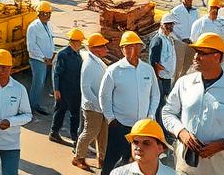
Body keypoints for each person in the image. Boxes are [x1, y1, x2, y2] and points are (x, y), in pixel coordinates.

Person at [160, 32, 224, 175]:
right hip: (186, 168)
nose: (195, 57)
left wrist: (222, 144)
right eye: (196, 52)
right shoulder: (184, 83)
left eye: (202, 53)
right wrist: (181, 132)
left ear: (217, 57)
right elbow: (168, 112)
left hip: (220, 169)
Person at [98, 32, 160, 175]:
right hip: (119, 125)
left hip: (141, 129)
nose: (133, 50)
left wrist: (150, 115)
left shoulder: (147, 70)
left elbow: (155, 95)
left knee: (135, 162)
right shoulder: (114, 70)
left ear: (140, 48)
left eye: (136, 46)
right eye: (128, 47)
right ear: (122, 49)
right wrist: (110, 118)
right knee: (112, 161)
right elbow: (104, 95)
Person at [74, 32, 111, 172]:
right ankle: (79, 157)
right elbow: (85, 88)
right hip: (93, 107)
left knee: (103, 134)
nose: (106, 49)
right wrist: (97, 104)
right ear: (94, 49)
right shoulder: (89, 64)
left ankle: (102, 158)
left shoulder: (97, 60)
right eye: (103, 46)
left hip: (100, 106)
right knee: (90, 132)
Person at [52, 28, 85, 145]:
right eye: (80, 42)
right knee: (63, 111)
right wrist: (56, 89)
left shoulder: (77, 54)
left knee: (72, 113)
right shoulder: (63, 55)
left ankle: (72, 135)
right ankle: (60, 133)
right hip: (65, 89)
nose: (81, 44)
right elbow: (57, 73)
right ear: (74, 42)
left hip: (75, 89)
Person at [109, 119, 174, 175]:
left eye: (146, 143)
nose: (139, 147)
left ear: (160, 148)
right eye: (135, 142)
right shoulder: (118, 173)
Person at [26, 1, 56, 115]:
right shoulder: (33, 27)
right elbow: (32, 46)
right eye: (45, 14)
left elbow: (50, 40)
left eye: (49, 14)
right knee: (38, 83)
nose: (47, 16)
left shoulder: (48, 25)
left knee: (42, 83)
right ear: (39, 14)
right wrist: (43, 58)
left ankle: (35, 104)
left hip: (47, 59)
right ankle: (30, 108)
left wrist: (52, 54)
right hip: (38, 60)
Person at [146, 13, 177, 118]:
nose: (170, 27)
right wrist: (156, 78)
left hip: (167, 77)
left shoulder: (169, 39)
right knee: (158, 104)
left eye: (171, 24)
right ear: (162, 25)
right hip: (159, 78)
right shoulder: (158, 40)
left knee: (165, 104)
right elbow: (153, 62)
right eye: (167, 24)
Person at [168, 0, 197, 80]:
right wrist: (180, 39)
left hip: (191, 43)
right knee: (177, 67)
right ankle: (173, 88)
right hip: (179, 43)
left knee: (187, 67)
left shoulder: (195, 11)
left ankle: (181, 84)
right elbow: (171, 28)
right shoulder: (176, 11)